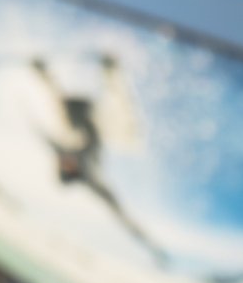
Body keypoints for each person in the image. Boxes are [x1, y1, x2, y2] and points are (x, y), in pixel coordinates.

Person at [28, 55, 167, 266]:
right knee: (129, 135)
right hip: (101, 123)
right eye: (68, 165)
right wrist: (151, 246)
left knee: (63, 121)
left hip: (80, 112)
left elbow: (40, 132)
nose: (66, 160)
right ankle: (111, 72)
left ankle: (43, 71)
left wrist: (38, 76)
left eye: (62, 162)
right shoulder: (91, 178)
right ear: (75, 171)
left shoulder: (61, 148)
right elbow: (120, 213)